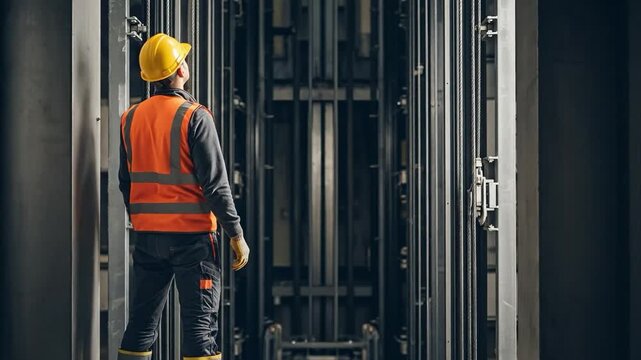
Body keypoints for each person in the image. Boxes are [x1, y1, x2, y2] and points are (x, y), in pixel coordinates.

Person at [116, 33, 250, 360]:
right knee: (200, 330)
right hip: (192, 240)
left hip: (148, 239)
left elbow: (125, 181)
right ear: (180, 69)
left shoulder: (130, 118)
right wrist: (236, 233)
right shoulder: (195, 116)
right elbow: (216, 185)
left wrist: (144, 221)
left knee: (141, 326)